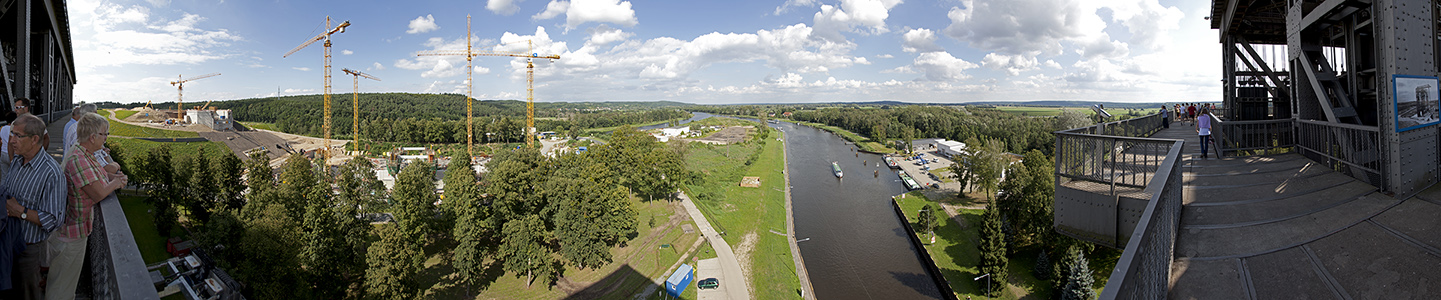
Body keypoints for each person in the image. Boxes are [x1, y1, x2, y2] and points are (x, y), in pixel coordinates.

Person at [48, 113, 125, 300]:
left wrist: (112, 178)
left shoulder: (81, 152)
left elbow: (96, 176)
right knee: (62, 287)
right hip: (72, 233)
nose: (106, 138)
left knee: (63, 279)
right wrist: (115, 183)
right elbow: (98, 193)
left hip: (72, 229)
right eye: (104, 134)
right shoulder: (79, 160)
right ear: (93, 137)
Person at [0, 114, 66, 299]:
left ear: (35, 139)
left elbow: (53, 220)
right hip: (7, 243)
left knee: (29, 294)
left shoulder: (51, 173)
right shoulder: (17, 162)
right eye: (12, 134)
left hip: (29, 251)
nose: (11, 140)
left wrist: (20, 212)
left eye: (17, 136)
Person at [0, 98, 33, 173]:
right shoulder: (14, 124)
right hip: (18, 159)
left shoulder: (35, 123)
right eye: (15, 107)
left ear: (26, 108)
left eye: (17, 108)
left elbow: (45, 138)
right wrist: (12, 160)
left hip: (27, 160)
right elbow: (10, 143)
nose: (15, 110)